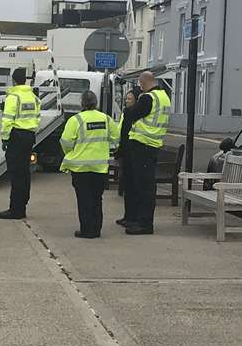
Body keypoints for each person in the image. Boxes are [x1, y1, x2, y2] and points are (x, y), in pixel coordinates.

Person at [60, 89, 119, 238]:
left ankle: (86, 230)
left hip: (80, 167)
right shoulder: (106, 119)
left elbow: (65, 141)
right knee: (97, 198)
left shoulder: (76, 120)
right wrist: (106, 148)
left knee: (84, 198)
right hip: (100, 167)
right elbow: (116, 138)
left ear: (82, 103)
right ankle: (96, 229)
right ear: (96, 102)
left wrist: (71, 152)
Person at [121, 71, 172, 235]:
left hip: (143, 145)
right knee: (146, 186)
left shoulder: (148, 98)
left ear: (142, 83)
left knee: (144, 187)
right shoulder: (164, 97)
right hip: (153, 144)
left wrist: (128, 110)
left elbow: (132, 113)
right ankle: (141, 221)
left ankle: (144, 224)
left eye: (140, 84)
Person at [0, 67, 40, 220]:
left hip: (16, 137)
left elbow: (7, 120)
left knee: (15, 174)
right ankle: (22, 206)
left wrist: (5, 138)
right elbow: (37, 117)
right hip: (29, 136)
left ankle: (15, 209)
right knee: (24, 173)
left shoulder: (13, 97)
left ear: (13, 80)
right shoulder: (33, 97)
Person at [115, 87, 144, 226]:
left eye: (129, 99)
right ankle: (127, 216)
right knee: (127, 186)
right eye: (126, 99)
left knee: (133, 187)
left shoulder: (135, 115)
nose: (126, 101)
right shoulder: (126, 113)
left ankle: (133, 217)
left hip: (133, 152)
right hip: (126, 152)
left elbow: (128, 132)